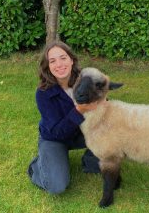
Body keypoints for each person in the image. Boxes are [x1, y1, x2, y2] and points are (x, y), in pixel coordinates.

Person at [27, 41, 100, 194]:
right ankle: (37, 165)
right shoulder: (43, 93)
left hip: (81, 133)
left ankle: (91, 162)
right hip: (54, 138)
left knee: (113, 130)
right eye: (52, 61)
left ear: (71, 60)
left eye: (63, 58)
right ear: (48, 66)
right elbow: (57, 132)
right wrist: (79, 110)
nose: (59, 64)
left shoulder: (86, 80)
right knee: (57, 186)